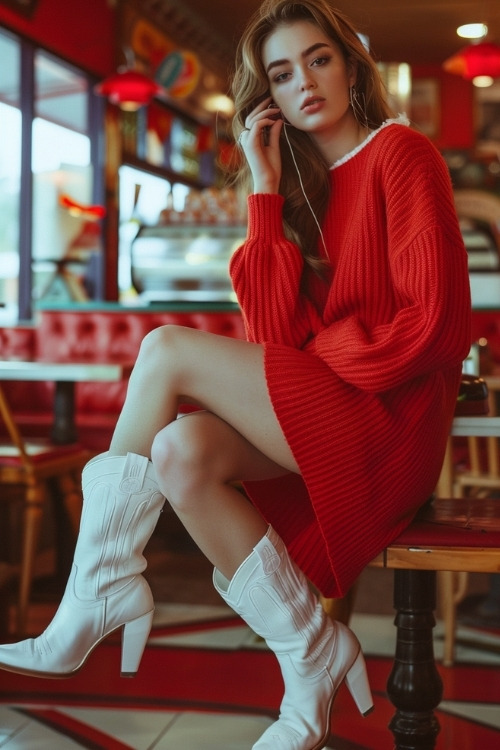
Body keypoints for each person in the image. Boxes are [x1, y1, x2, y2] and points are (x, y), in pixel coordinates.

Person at [0, 1, 471, 747]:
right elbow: (276, 340)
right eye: (282, 74)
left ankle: (97, 591)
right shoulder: (304, 187)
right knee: (180, 454)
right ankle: (309, 650)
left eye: (318, 59)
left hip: (391, 426)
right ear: (268, 99)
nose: (305, 83)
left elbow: (436, 323)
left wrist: (327, 354)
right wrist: (262, 186)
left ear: (351, 65)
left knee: (165, 349)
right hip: (337, 414)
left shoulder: (400, 153)